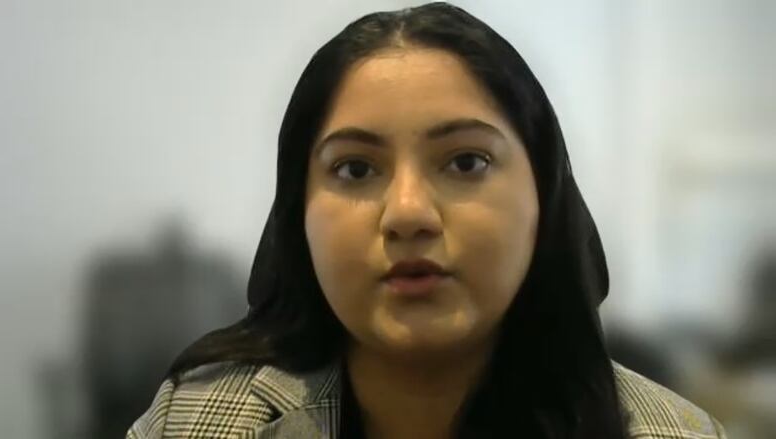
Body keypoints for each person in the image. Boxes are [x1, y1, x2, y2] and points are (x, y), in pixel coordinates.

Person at [126, 3, 727, 438]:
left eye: (466, 161)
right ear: (297, 214)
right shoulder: (194, 420)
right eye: (356, 170)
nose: (408, 213)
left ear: (544, 198)